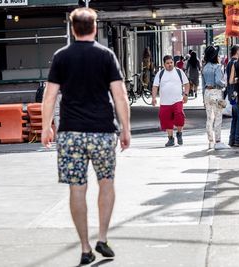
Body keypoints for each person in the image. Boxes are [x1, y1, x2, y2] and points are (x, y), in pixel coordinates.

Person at [41, 7, 131, 265]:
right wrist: (126, 128)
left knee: (76, 188)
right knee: (106, 182)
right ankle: (102, 237)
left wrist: (46, 127)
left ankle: (84, 247)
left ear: (72, 29)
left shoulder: (61, 57)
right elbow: (120, 95)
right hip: (102, 131)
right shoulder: (106, 56)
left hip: (71, 133)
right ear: (94, 28)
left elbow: (49, 97)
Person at [151, 55, 190, 147]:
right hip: (165, 102)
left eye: (171, 62)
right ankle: (170, 138)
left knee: (179, 116)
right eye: (167, 63)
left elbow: (187, 84)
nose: (170, 65)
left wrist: (186, 94)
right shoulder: (160, 74)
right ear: (164, 64)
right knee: (166, 120)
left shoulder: (179, 72)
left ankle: (179, 134)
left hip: (177, 100)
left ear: (173, 62)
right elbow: (155, 86)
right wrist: (153, 98)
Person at [202, 45, 229, 150]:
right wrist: (225, 84)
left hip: (207, 92)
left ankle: (210, 141)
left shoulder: (205, 67)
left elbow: (203, 83)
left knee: (209, 118)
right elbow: (218, 81)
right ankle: (218, 141)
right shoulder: (217, 67)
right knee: (218, 117)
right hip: (216, 92)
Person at [226, 44, 239, 147]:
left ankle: (232, 140)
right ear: (237, 51)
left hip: (231, 94)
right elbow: (234, 79)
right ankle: (238, 140)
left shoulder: (229, 63)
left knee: (235, 117)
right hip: (236, 93)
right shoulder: (235, 63)